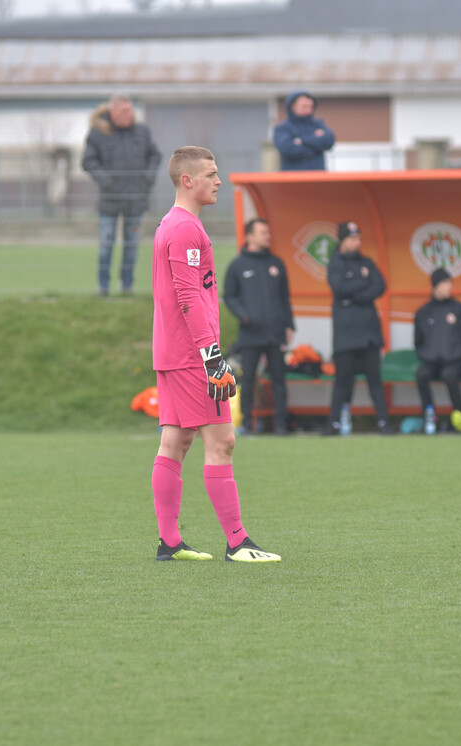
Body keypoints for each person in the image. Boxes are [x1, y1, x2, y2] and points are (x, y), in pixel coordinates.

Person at [150, 145, 280, 563]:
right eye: (211, 174)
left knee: (176, 440)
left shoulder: (169, 224)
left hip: (172, 351)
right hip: (191, 355)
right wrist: (211, 356)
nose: (218, 181)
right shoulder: (185, 228)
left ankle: (169, 542)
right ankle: (238, 542)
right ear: (187, 180)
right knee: (222, 441)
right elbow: (188, 295)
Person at [82, 94, 162, 296]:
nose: (128, 115)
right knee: (106, 244)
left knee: (131, 246)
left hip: (136, 200)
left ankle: (127, 287)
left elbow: (155, 155)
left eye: (130, 110)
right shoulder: (99, 133)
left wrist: (148, 177)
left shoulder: (142, 131)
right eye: (123, 111)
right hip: (109, 200)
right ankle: (103, 288)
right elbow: (88, 161)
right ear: (112, 112)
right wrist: (106, 181)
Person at [223, 218, 295, 436]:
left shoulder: (276, 263)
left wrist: (289, 325)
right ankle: (247, 424)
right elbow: (229, 296)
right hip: (250, 334)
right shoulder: (237, 265)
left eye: (268, 232)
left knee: (278, 379)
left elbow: (285, 298)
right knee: (248, 378)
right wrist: (244, 315)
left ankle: (280, 424)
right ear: (249, 237)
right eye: (263, 232)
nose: (268, 236)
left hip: (274, 332)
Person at [325, 220, 392, 435]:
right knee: (343, 380)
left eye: (358, 238)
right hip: (346, 335)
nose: (357, 242)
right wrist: (362, 284)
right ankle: (334, 423)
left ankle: (383, 422)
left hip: (369, 334)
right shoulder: (335, 263)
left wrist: (355, 294)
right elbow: (339, 288)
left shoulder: (367, 263)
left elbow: (380, 285)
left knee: (374, 379)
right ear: (343, 241)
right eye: (352, 238)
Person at [413, 267, 461, 433]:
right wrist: (426, 355)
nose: (449, 286)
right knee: (422, 374)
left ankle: (460, 417)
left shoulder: (460, 309)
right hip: (432, 361)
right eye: (444, 283)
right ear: (435, 286)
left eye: (450, 282)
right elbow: (418, 341)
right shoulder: (424, 312)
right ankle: (429, 416)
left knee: (450, 374)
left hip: (456, 361)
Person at [273, 91, 336, 171]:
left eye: (311, 107)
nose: (309, 110)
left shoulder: (318, 124)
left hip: (317, 178)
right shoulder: (283, 128)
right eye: (304, 106)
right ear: (292, 106)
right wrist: (316, 144)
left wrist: (301, 140)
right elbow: (288, 149)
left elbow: (329, 140)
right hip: (292, 179)